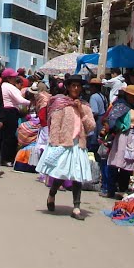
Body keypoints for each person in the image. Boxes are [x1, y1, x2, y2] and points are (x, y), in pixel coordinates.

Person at [36, 75, 96, 220]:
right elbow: (55, 125)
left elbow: (91, 127)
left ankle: (76, 207)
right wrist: (55, 144)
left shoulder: (85, 106)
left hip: (78, 145)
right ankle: (52, 194)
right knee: (61, 174)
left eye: (78, 86)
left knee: (77, 177)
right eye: (73, 85)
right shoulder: (61, 104)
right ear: (68, 87)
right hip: (64, 144)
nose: (76, 88)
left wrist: (81, 111)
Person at [100, 84, 134, 198]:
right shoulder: (120, 106)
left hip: (132, 138)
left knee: (128, 164)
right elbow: (111, 120)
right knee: (116, 162)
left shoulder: (132, 107)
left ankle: (122, 188)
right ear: (127, 95)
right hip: (122, 137)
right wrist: (121, 127)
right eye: (132, 96)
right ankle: (110, 189)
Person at [0, 68, 30, 166]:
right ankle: (8, 158)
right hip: (10, 111)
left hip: (5, 111)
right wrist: (31, 102)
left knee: (4, 136)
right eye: (13, 77)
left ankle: (3, 158)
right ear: (8, 78)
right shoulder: (9, 86)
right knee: (10, 136)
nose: (15, 78)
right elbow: (19, 99)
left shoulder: (2, 86)